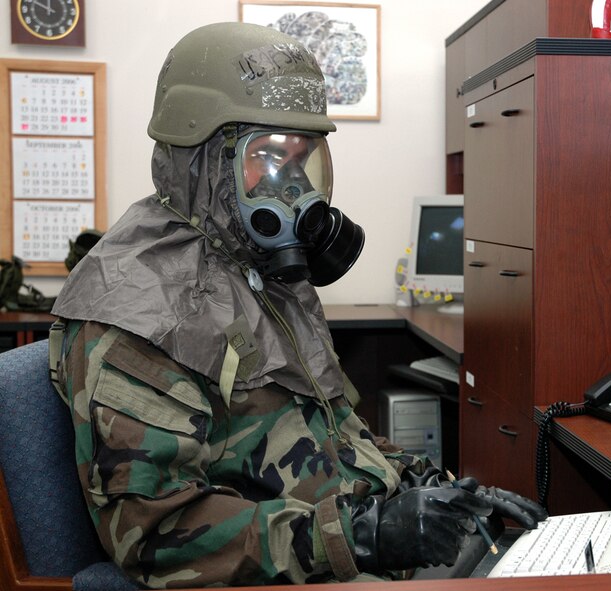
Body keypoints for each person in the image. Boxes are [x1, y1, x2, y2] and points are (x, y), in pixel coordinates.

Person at [49, 22, 546, 588]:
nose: (292, 189)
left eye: (300, 161)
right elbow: (156, 536)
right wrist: (365, 534)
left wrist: (435, 489)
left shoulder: (252, 270)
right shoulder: (139, 313)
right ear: (204, 158)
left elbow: (333, 430)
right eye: (268, 158)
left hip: (344, 553)